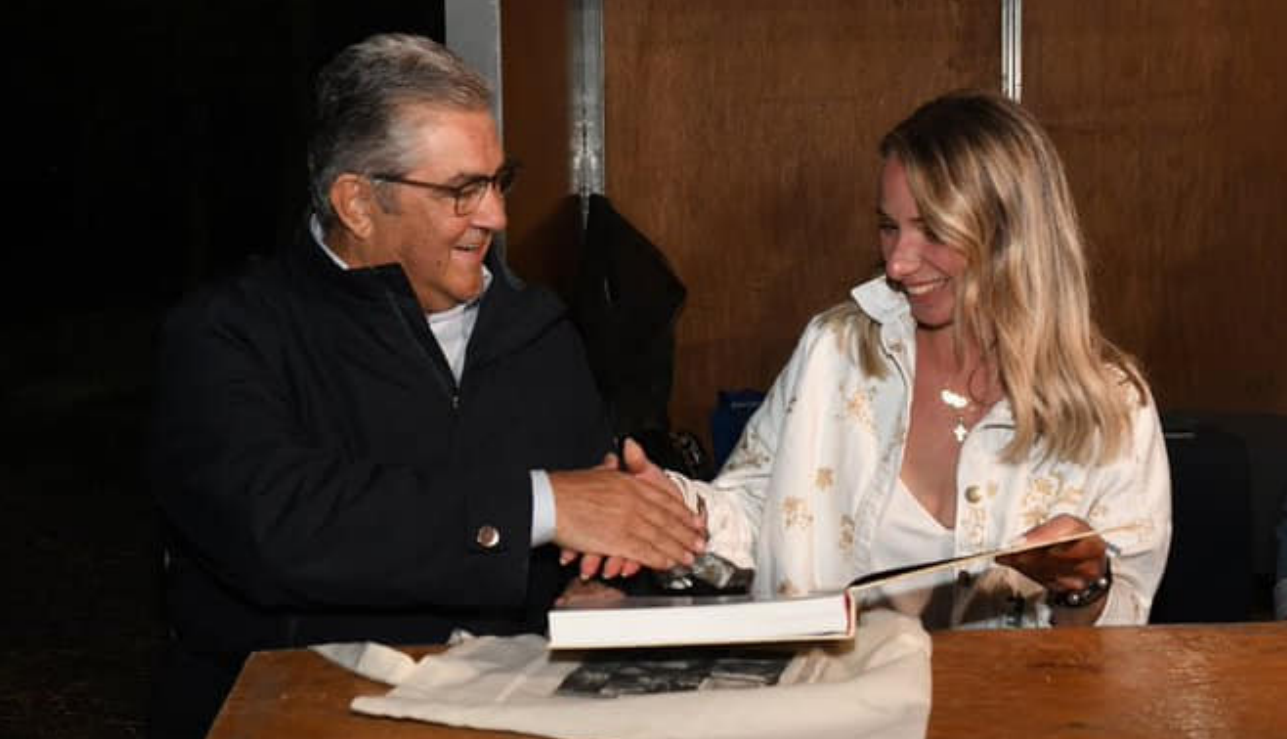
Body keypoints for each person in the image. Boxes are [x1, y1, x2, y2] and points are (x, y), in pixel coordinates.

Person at [146, 33, 704, 738]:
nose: (496, 216)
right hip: (301, 712)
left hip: (512, 708)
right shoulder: (228, 334)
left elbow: (584, 524)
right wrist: (542, 505)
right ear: (357, 202)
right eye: (462, 191)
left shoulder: (535, 328)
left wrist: (606, 572)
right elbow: (278, 526)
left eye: (499, 181)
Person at [626, 90, 1171, 629]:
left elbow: (1125, 636)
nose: (898, 264)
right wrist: (670, 508)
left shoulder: (1112, 407)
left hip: (1012, 692)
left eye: (933, 230)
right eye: (889, 227)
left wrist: (1084, 585)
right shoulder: (837, 350)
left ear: (1013, 235)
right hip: (830, 685)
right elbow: (753, 512)